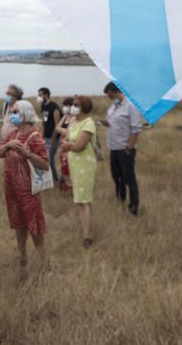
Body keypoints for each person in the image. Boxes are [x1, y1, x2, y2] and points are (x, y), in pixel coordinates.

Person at [0, 99, 48, 269]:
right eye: (12, 112)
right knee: (18, 222)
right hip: (11, 187)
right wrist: (7, 146)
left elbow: (45, 164)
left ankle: (43, 260)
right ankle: (22, 257)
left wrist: (28, 155)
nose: (12, 115)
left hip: (28, 189)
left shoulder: (34, 136)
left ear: (25, 114)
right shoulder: (13, 134)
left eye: (16, 112)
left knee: (33, 222)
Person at [59, 95, 97, 247]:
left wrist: (68, 145)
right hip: (75, 164)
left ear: (84, 107)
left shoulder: (89, 123)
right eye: (73, 104)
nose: (72, 107)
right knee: (81, 199)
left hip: (84, 165)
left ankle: (86, 236)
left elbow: (78, 146)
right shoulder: (74, 122)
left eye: (76, 105)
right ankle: (84, 230)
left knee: (83, 200)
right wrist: (68, 143)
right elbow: (66, 138)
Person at [104, 82, 143, 215]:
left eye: (109, 95)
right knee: (116, 176)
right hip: (113, 147)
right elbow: (113, 123)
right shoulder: (114, 106)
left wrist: (129, 147)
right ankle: (120, 199)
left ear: (114, 91)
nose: (109, 98)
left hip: (125, 148)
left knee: (129, 178)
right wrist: (105, 123)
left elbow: (136, 129)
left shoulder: (131, 106)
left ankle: (134, 205)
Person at [37, 87, 62, 183]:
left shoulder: (54, 107)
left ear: (46, 95)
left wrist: (53, 139)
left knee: (49, 159)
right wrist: (40, 134)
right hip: (45, 137)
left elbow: (57, 125)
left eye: (40, 95)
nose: (38, 97)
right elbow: (44, 122)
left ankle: (55, 180)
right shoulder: (43, 106)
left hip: (53, 138)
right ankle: (48, 179)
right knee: (45, 158)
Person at [55, 97, 75, 193]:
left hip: (69, 145)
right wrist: (64, 131)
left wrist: (63, 131)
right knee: (63, 166)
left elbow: (69, 131)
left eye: (67, 106)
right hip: (62, 145)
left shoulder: (74, 118)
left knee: (69, 167)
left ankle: (71, 188)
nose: (65, 108)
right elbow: (57, 128)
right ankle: (65, 187)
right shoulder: (65, 116)